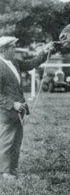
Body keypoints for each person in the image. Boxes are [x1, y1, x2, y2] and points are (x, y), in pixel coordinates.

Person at [0, 36, 55, 180]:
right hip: (6, 111)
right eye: (12, 47)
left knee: (17, 141)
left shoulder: (14, 62)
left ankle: (13, 169)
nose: (14, 50)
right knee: (7, 141)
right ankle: (5, 172)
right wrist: (12, 104)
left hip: (19, 111)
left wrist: (44, 51)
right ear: (3, 50)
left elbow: (31, 64)